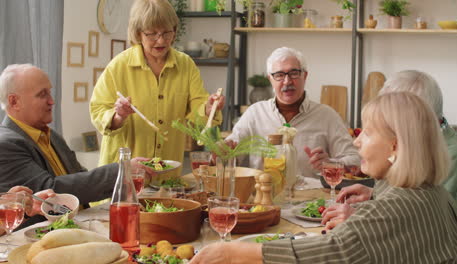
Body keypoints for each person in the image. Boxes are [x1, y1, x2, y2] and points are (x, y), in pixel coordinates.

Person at [190, 92, 457, 264]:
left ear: (395, 146)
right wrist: (371, 199)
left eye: (367, 133)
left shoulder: (398, 206)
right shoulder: (431, 192)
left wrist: (231, 254)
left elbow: (332, 252)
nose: (357, 142)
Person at [0, 64, 152, 227]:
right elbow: (52, 190)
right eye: (42, 95)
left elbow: (79, 175)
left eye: (50, 92)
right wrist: (123, 171)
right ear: (14, 101)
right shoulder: (6, 144)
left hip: (80, 226)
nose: (52, 101)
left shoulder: (52, 136)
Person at [90, 0, 224, 176]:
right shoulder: (118, 66)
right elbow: (98, 111)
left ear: (174, 30)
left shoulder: (186, 65)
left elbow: (197, 110)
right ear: (138, 33)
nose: (160, 40)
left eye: (166, 32)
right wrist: (118, 116)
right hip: (125, 177)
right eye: (152, 34)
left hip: (166, 175)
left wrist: (208, 108)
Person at [334, 70, 457, 230]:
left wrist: (361, 221)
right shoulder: (419, 141)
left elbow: (423, 220)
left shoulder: (451, 152)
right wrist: (373, 194)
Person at [226, 47, 359, 177]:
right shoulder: (254, 113)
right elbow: (230, 156)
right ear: (270, 79)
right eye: (279, 75)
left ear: (305, 75)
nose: (287, 81)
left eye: (294, 73)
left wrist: (331, 163)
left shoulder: (327, 116)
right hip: (262, 195)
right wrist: (222, 153)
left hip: (312, 197)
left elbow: (355, 160)